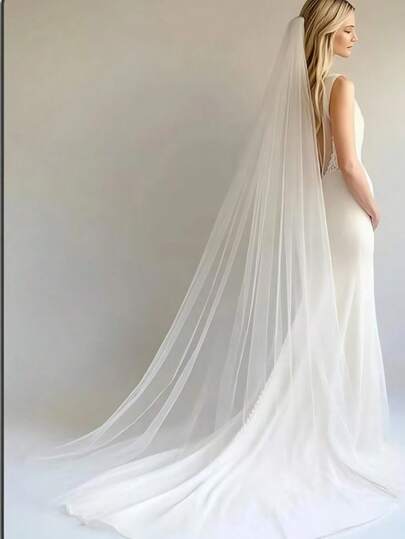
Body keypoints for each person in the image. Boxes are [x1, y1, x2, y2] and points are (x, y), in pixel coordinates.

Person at [35, 1, 404, 537]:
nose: (356, 38)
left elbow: (312, 168)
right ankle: (338, 431)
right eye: (347, 29)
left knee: (323, 321)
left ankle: (317, 425)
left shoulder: (302, 94)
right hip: (346, 215)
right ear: (325, 32)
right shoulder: (341, 87)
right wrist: (374, 208)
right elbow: (349, 163)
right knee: (342, 321)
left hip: (324, 214)